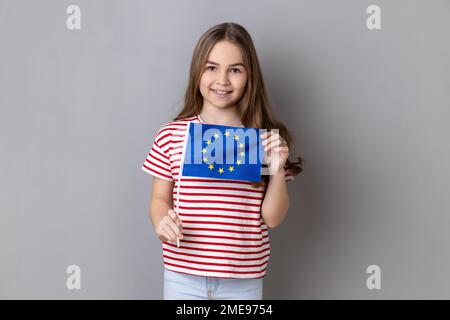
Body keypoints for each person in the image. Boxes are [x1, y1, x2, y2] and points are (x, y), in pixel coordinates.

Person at [141, 22, 304, 300]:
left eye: (236, 70)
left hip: (243, 280)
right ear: (198, 71)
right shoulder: (172, 135)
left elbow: (273, 218)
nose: (223, 80)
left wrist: (277, 171)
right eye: (211, 67)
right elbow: (159, 199)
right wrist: (161, 222)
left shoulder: (263, 141)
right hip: (183, 275)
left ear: (250, 76)